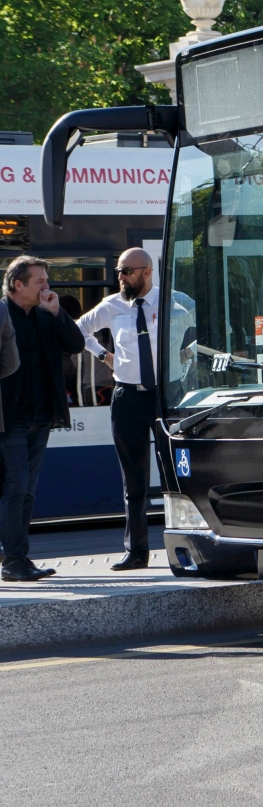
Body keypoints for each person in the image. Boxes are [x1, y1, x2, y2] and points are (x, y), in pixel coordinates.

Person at [0, 257, 84, 581]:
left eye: (47, 281)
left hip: (41, 417)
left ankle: (18, 558)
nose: (47, 287)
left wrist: (58, 312)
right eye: (40, 282)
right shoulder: (2, 313)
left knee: (27, 491)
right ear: (18, 284)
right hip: (9, 419)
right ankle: (13, 562)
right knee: (15, 488)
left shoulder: (47, 315)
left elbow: (75, 345)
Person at [78, 248, 163, 571]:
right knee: (134, 481)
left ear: (146, 272)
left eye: (126, 271)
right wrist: (103, 355)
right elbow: (80, 330)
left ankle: (190, 543)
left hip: (163, 398)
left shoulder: (173, 301)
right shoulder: (112, 306)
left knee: (176, 474)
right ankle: (137, 552)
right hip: (127, 398)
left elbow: (202, 330)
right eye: (118, 271)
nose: (120, 277)